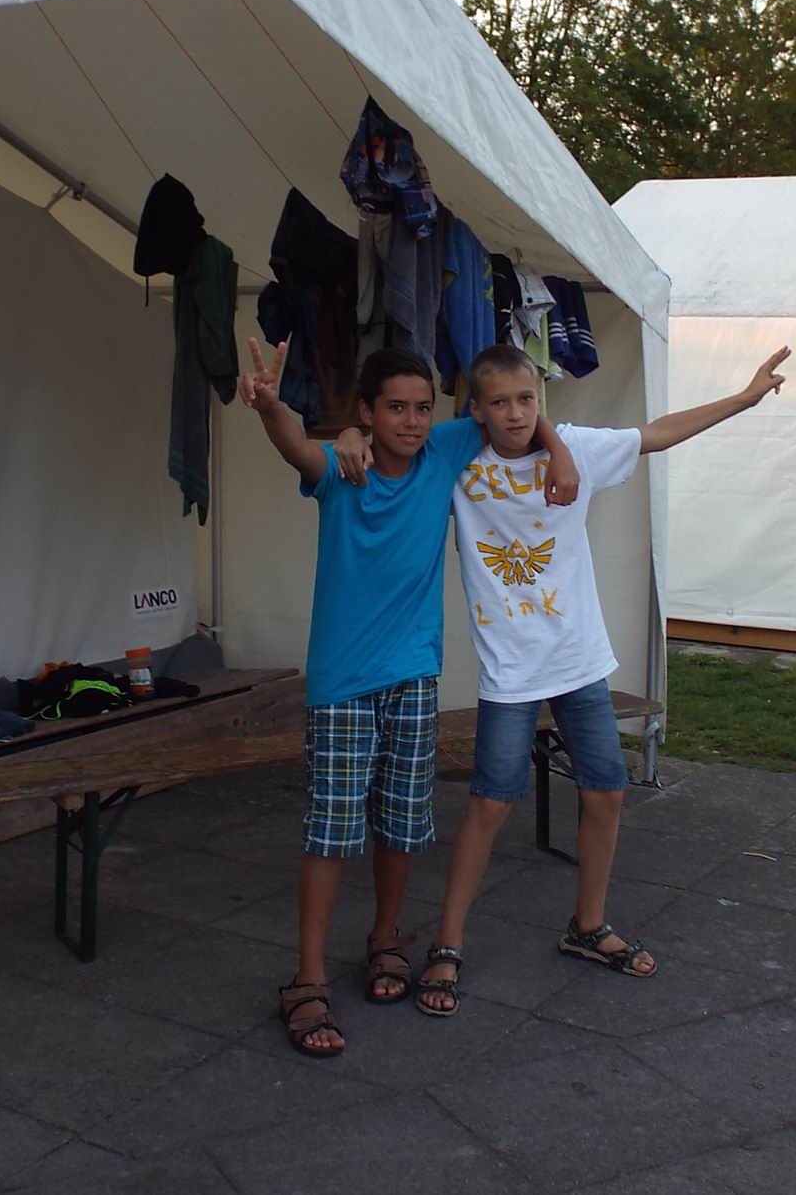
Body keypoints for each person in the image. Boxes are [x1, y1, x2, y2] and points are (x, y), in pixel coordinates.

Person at [412, 341, 792, 1016]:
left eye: (526, 399)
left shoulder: (579, 449)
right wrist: (349, 436)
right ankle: (447, 942)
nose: (514, 413)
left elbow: (657, 433)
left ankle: (587, 926)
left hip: (578, 659)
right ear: (476, 410)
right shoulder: (458, 461)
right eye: (498, 402)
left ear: (540, 400)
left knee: (607, 791)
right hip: (510, 671)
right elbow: (395, 447)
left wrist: (743, 398)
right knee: (490, 805)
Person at [240, 338, 578, 1058]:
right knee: (331, 831)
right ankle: (306, 979)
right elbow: (295, 447)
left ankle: (386, 938)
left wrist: (560, 451)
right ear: (366, 412)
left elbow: (509, 412)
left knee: (401, 824)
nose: (413, 422)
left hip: (416, 675)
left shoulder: (445, 451)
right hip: (343, 683)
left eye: (423, 408)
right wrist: (271, 407)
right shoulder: (342, 468)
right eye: (395, 409)